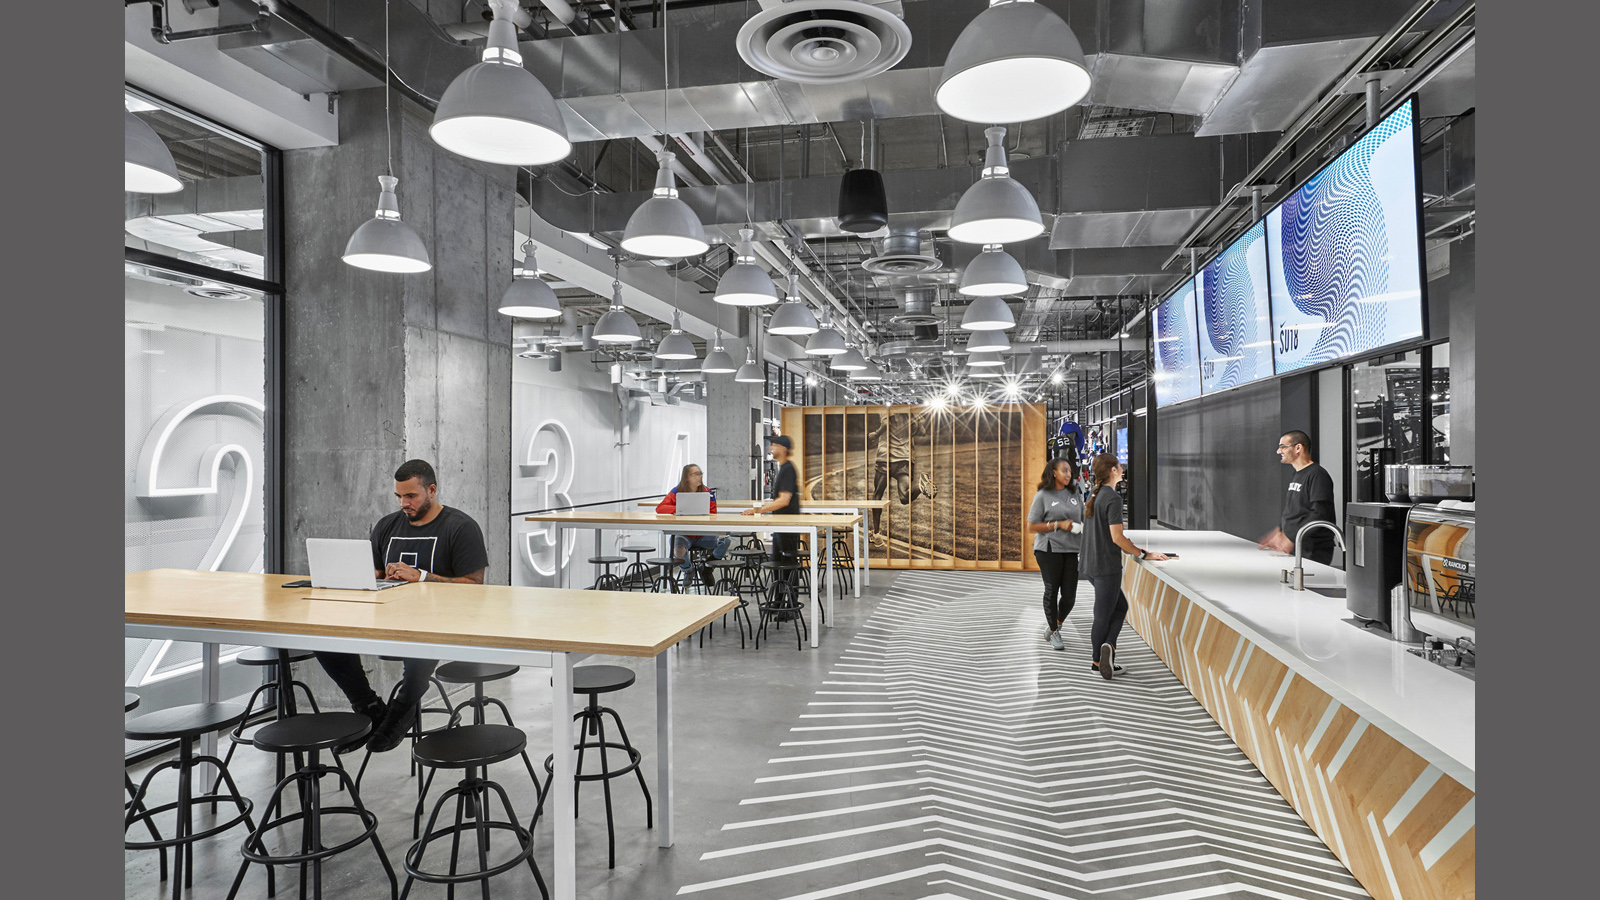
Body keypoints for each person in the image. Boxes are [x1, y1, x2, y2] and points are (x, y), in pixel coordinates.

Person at [315, 459, 488, 753]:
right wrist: (366, 574)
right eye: (398, 496)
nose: (403, 503)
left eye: (411, 496)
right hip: (387, 616)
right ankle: (368, 707)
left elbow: (476, 587)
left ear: (431, 490)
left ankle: (403, 708)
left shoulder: (461, 527)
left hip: (440, 620)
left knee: (419, 639)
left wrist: (420, 576)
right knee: (323, 635)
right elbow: (377, 572)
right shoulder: (387, 525)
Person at [1079, 453, 1169, 680]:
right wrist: (1142, 554)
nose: (1122, 468)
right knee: (1104, 613)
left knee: (1117, 608)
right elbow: (1117, 537)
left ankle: (1105, 650)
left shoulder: (1095, 494)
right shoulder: (1112, 498)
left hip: (1090, 563)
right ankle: (1100, 658)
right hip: (1106, 566)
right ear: (1112, 470)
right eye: (1119, 466)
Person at [1027, 457, 1084, 651]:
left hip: (1071, 549)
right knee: (1051, 590)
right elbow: (1031, 526)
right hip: (1048, 548)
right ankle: (1053, 632)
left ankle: (1056, 624)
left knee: (1069, 596)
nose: (1068, 474)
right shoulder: (1043, 495)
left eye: (1070, 471)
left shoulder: (1075, 493)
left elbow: (1083, 517)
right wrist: (1058, 524)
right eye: (1064, 471)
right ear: (1054, 473)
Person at [1257, 430, 1338, 564]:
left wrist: (1290, 538)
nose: (1278, 451)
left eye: (1283, 446)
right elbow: (1296, 510)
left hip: (1312, 548)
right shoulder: (1297, 474)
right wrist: (1280, 531)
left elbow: (1319, 514)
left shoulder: (1317, 475)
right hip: (1296, 544)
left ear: (1298, 448)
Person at [869, 411, 938, 547]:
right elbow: (922, 431)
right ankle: (920, 486)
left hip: (885, 457)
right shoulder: (912, 411)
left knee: (877, 495)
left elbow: (885, 423)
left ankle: (876, 534)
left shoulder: (887, 407)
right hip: (904, 458)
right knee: (904, 497)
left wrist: (876, 434)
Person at [656, 463, 731, 582]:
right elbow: (660, 509)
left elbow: (713, 514)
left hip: (704, 534)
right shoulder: (676, 491)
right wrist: (680, 509)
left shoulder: (707, 492)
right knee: (677, 549)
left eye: (700, 474)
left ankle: (707, 567)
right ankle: (688, 570)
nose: (699, 477)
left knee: (726, 540)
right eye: (695, 474)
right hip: (684, 534)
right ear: (686, 477)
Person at [741, 435, 801, 576]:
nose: (771, 447)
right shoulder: (784, 468)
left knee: (786, 566)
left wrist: (758, 510)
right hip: (782, 526)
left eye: (774, 445)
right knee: (779, 564)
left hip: (787, 527)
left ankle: (787, 596)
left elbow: (784, 500)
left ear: (783, 449)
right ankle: (780, 596)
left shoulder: (788, 469)